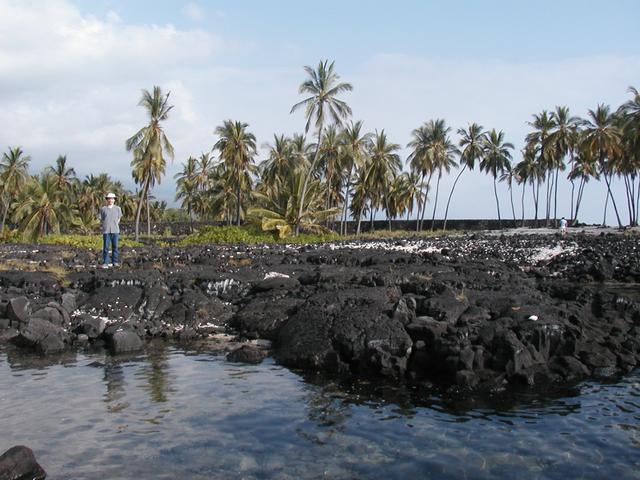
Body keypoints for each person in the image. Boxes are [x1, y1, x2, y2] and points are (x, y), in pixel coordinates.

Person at [100, 192, 122, 267]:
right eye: (109, 199)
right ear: (107, 200)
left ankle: (115, 261)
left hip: (115, 231)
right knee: (106, 247)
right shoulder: (103, 209)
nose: (110, 200)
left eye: (112, 199)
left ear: (114, 200)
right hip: (106, 231)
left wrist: (114, 225)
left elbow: (119, 218)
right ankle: (105, 262)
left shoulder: (118, 209)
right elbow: (102, 219)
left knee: (115, 247)